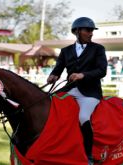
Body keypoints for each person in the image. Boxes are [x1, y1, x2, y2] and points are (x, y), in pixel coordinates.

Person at [47, 17, 108, 161]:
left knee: (83, 117)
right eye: (88, 30)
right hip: (70, 89)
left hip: (90, 92)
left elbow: (102, 71)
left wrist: (83, 75)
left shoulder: (98, 49)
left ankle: (88, 155)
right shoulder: (66, 51)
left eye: (92, 30)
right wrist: (53, 76)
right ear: (77, 31)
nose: (91, 33)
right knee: (46, 105)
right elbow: (58, 69)